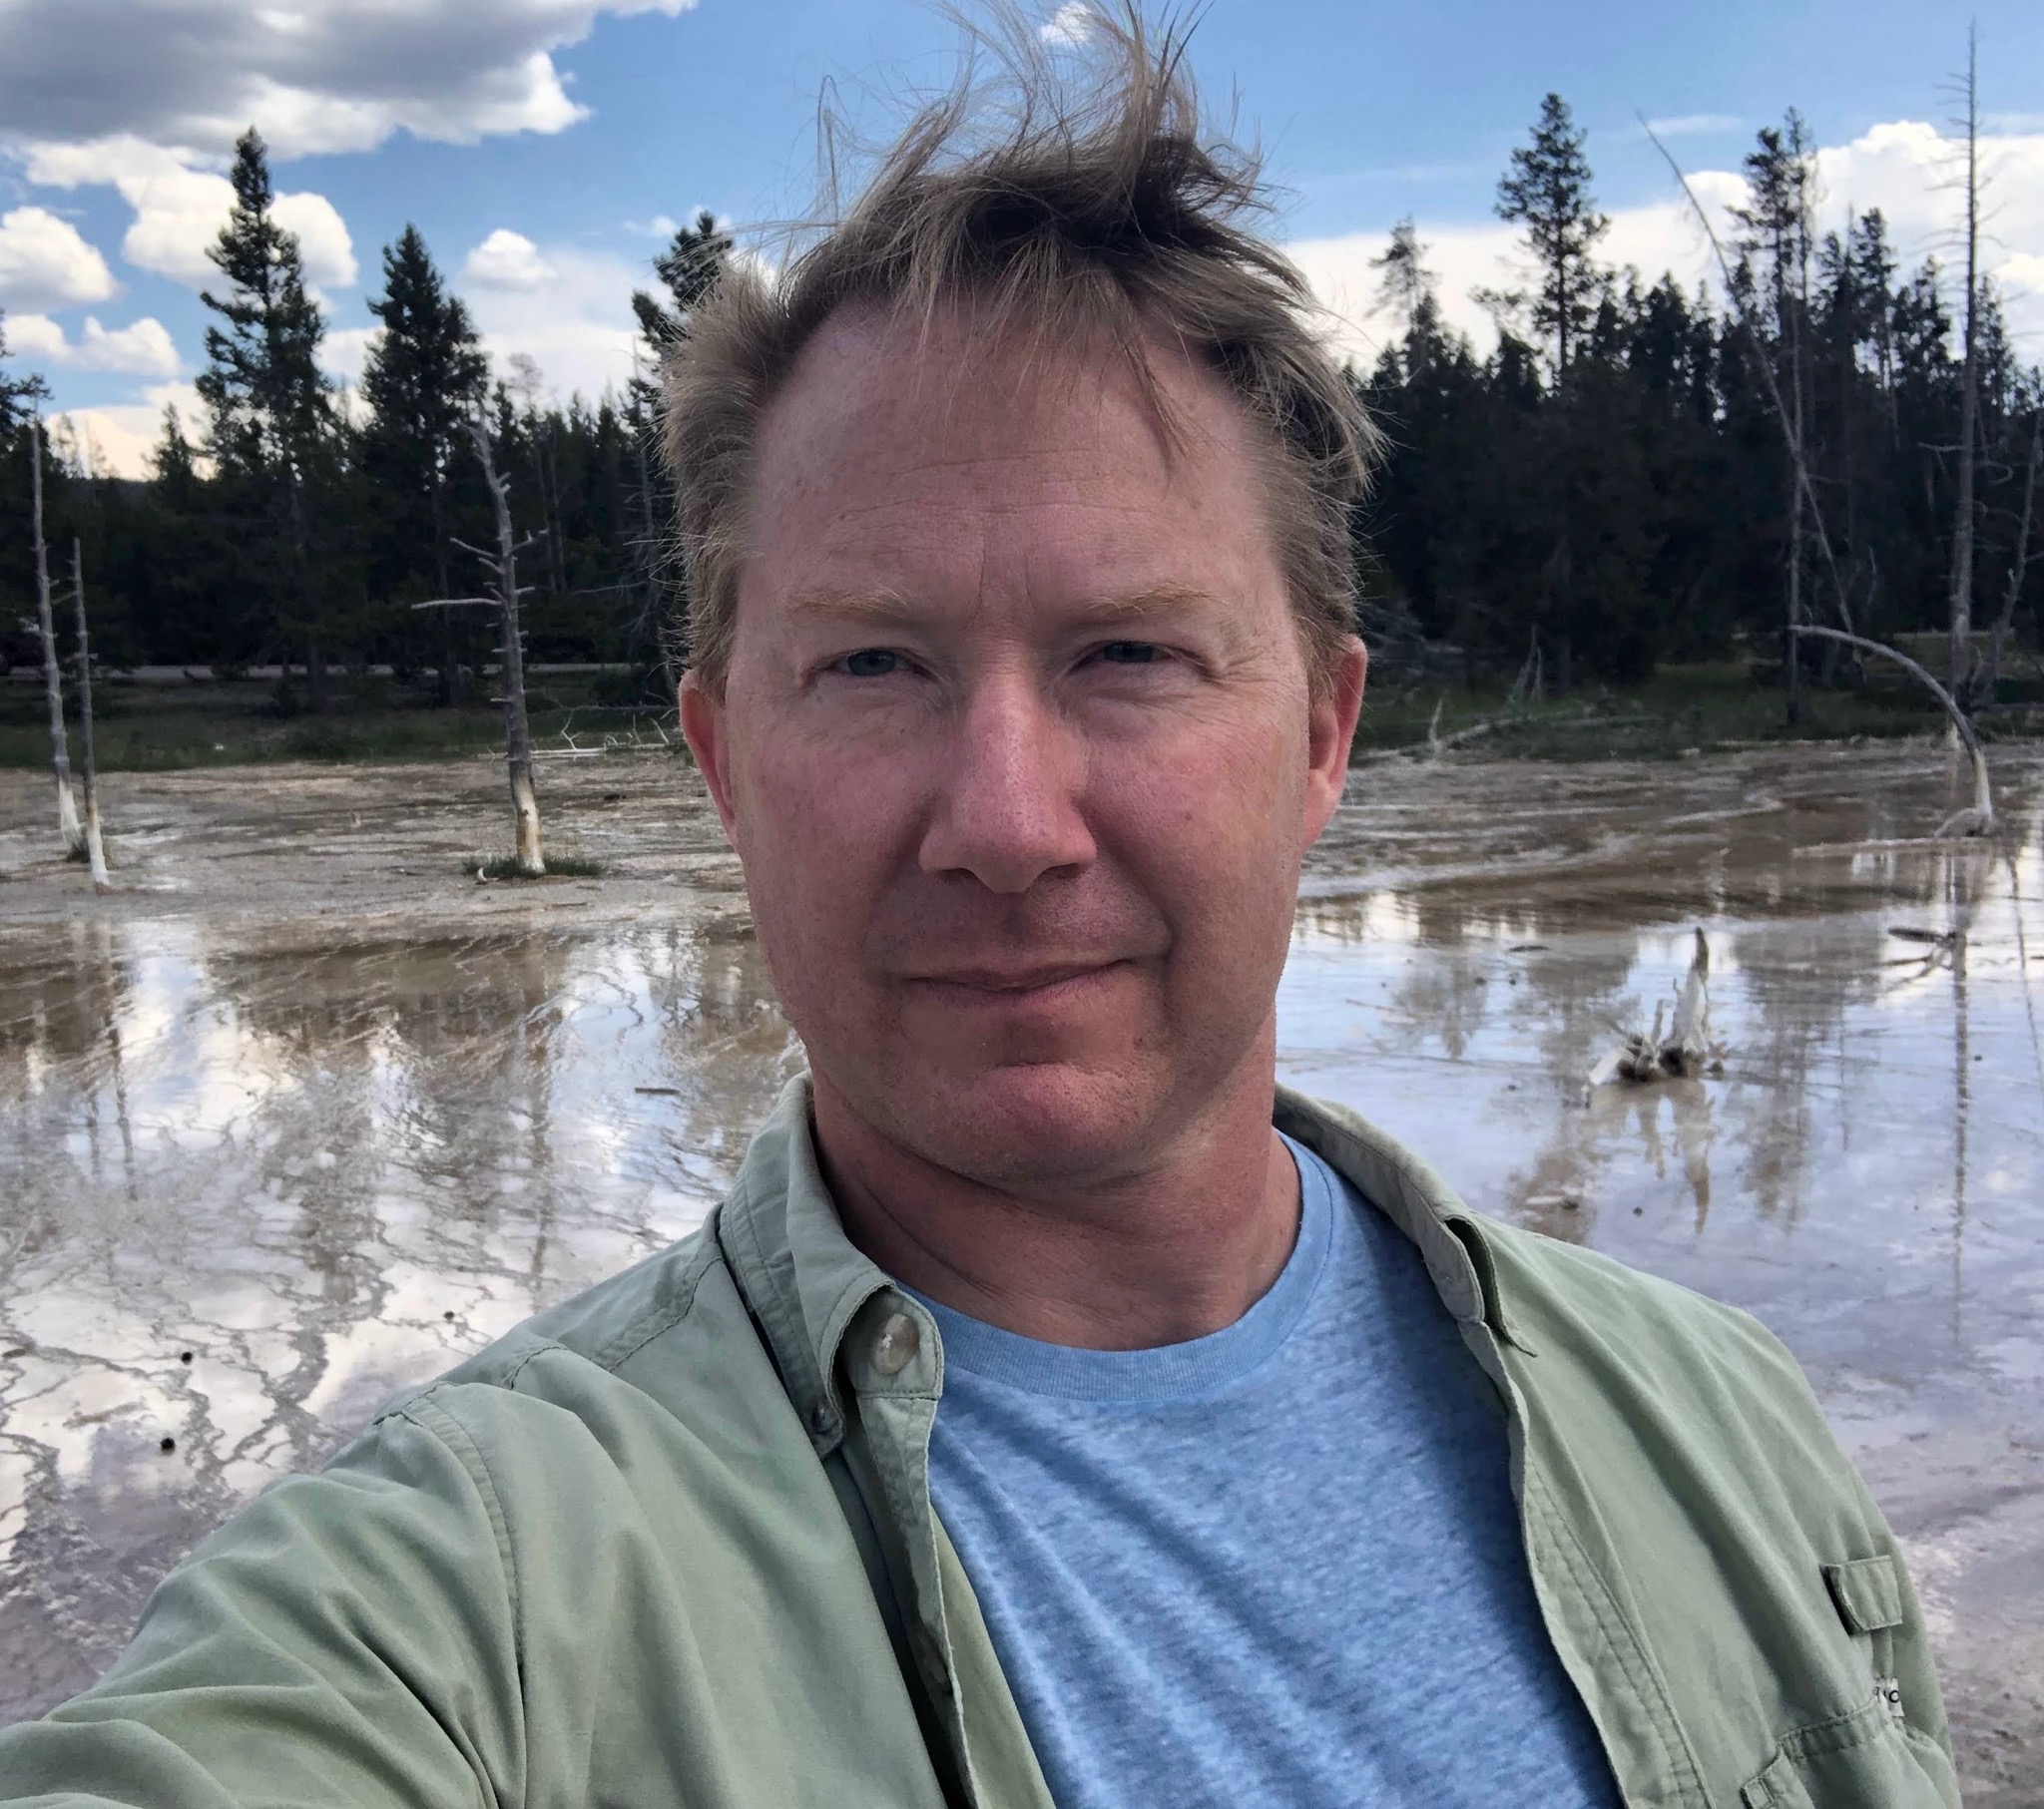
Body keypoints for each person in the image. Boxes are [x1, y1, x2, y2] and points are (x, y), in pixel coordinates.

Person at [0, 12, 1958, 1808]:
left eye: (1126, 649)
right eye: (868, 666)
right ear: (719, 758)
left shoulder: (1711, 1417)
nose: (1005, 823)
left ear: (1322, 732)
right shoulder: (471, 1596)